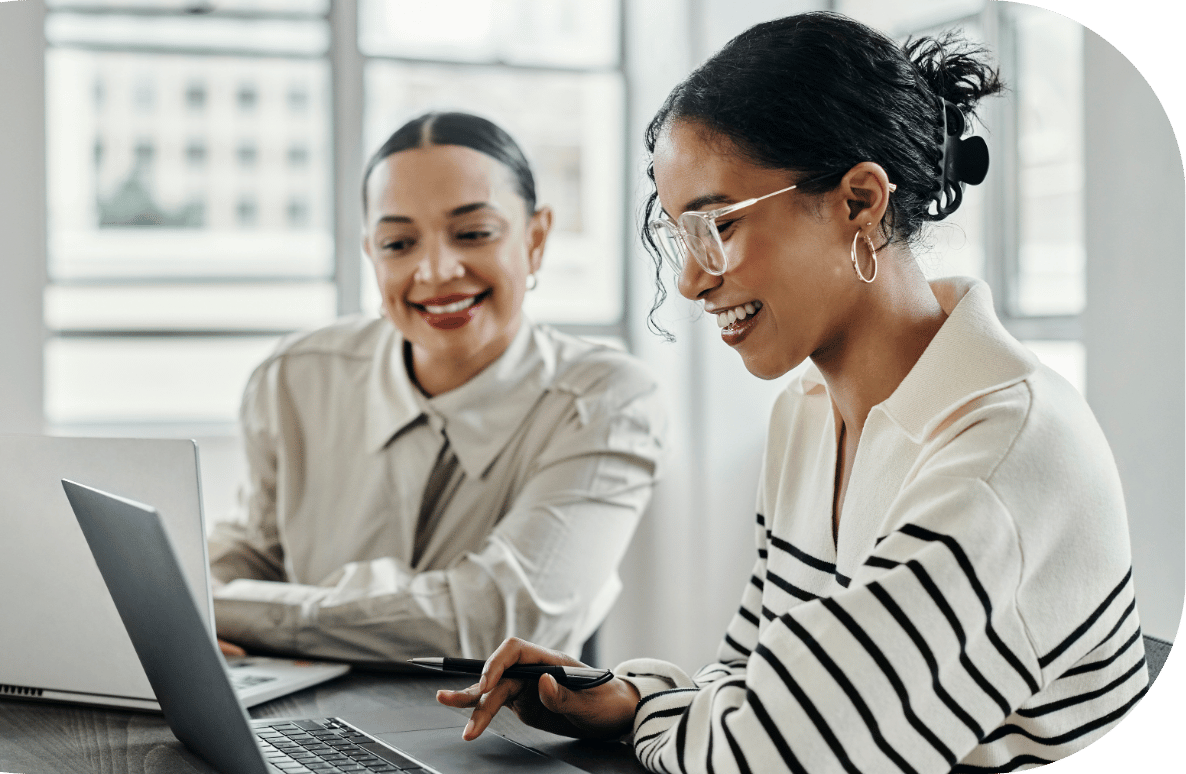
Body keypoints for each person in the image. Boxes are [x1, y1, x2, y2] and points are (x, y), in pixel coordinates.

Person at [438, 12, 1148, 772]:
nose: (690, 279)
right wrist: (631, 698)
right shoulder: (807, 417)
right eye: (681, 234)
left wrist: (652, 709)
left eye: (717, 226)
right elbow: (747, 679)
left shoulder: (1002, 455)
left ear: (859, 201)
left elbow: (771, 754)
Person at [208, 111, 665, 664]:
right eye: (398, 243)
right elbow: (250, 555)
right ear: (371, 255)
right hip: (305, 724)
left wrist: (231, 610)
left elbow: (501, 622)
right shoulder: (295, 378)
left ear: (536, 238)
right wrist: (188, 605)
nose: (436, 271)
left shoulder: (607, 399)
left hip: (501, 737)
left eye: (473, 234)